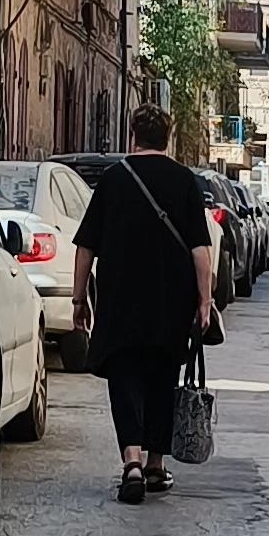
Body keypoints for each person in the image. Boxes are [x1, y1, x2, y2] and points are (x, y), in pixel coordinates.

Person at [69, 104, 217, 504]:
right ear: (167, 138)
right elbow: (200, 249)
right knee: (161, 378)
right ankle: (154, 463)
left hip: (120, 300)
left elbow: (85, 247)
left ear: (132, 136)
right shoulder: (184, 180)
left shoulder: (114, 180)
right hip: (171, 301)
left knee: (124, 377)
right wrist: (205, 301)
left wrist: (79, 298)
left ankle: (130, 462)